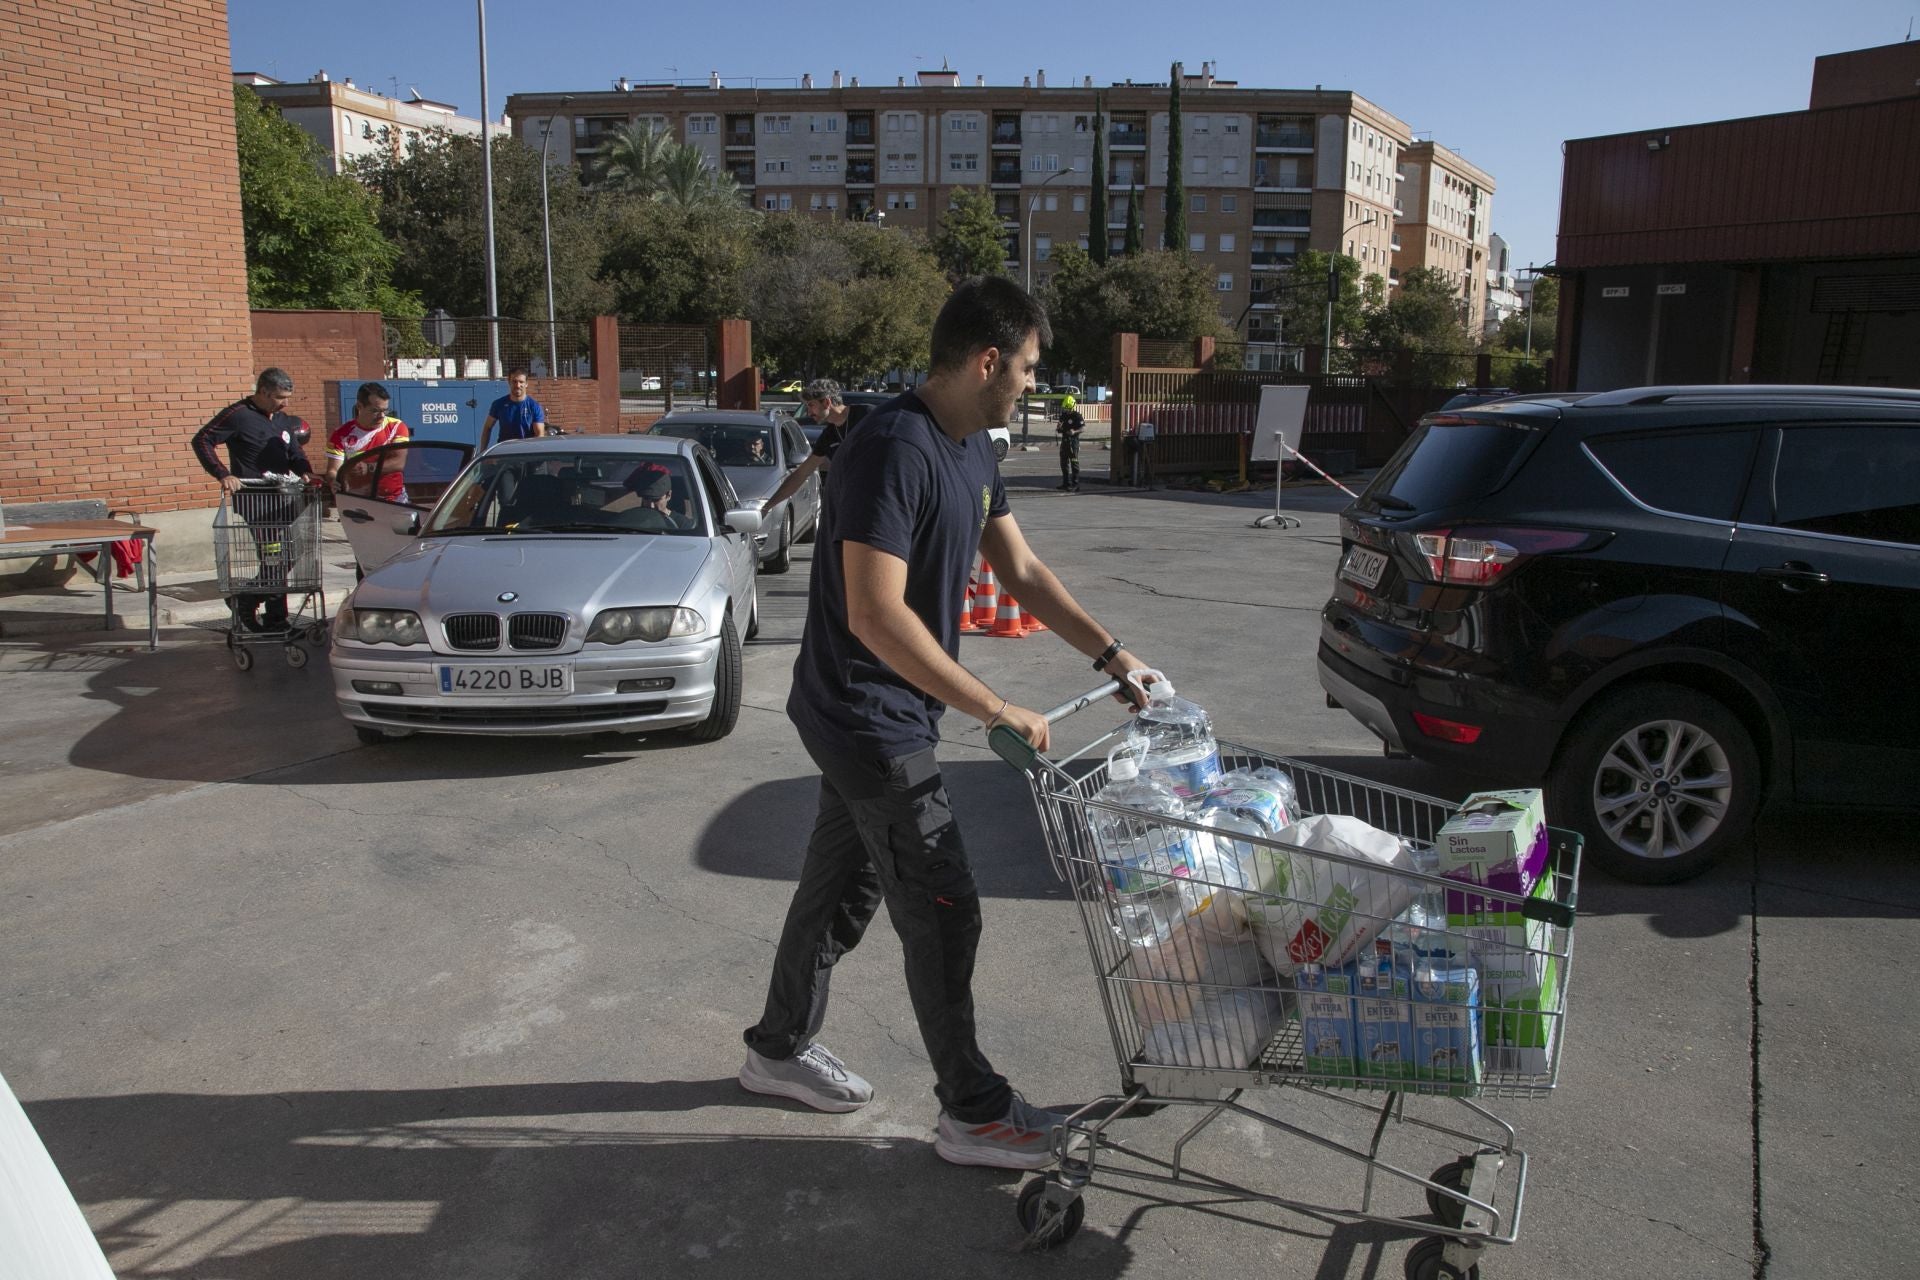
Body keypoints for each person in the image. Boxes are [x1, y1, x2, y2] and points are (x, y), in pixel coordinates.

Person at [739, 276, 1153, 1171]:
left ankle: (774, 1049)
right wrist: (998, 709)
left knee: (839, 887)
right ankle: (972, 1110)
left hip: (879, 709)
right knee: (944, 907)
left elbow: (1025, 571)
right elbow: (876, 616)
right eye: (1031, 369)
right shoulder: (893, 447)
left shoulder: (971, 449)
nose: (1036, 387)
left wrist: (1112, 655)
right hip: (865, 714)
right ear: (988, 360)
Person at [191, 367, 315, 632]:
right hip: (258, 502)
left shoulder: (281, 419)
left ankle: (246, 599)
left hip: (285, 500)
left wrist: (305, 470)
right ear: (264, 392)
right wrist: (223, 474)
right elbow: (202, 439)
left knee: (290, 556)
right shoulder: (238, 415)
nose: (285, 403)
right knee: (274, 559)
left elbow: (294, 451)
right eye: (280, 397)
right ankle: (275, 618)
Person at [760, 378, 873, 518]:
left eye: (811, 405)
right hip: (854, 505)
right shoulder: (828, 436)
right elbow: (801, 474)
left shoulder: (868, 415)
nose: (808, 413)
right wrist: (767, 507)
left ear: (826, 402)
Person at [324, 382, 411, 503]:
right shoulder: (341, 434)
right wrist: (334, 481)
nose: (381, 416)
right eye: (375, 411)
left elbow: (399, 463)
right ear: (359, 406)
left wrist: (369, 468)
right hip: (358, 499)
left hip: (393, 499)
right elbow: (333, 470)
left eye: (385, 410)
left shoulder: (396, 426)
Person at [479, 368, 545, 451]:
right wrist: (482, 451)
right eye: (514, 381)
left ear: (526, 384)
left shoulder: (534, 406)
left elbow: (539, 434)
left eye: (521, 382)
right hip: (505, 453)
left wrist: (534, 454)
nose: (517, 385)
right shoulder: (498, 404)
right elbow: (487, 427)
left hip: (527, 454)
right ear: (509, 382)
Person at [1055, 393, 1085, 491]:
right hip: (1065, 441)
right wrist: (1058, 427)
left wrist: (1074, 431)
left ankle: (1075, 484)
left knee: (1074, 463)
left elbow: (1082, 428)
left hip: (1073, 442)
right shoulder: (1063, 416)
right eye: (1065, 408)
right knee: (1064, 463)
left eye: (1067, 408)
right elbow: (1059, 427)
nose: (1066, 410)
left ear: (1072, 406)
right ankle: (1066, 483)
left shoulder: (1077, 416)